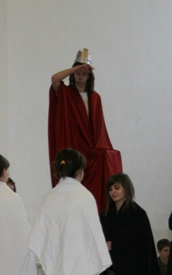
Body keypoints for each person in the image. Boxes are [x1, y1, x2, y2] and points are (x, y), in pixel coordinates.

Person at [48, 48, 122, 213]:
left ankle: (103, 210)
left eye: (84, 74)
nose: (81, 77)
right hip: (73, 143)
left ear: (90, 77)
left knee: (107, 156)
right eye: (78, 74)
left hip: (90, 145)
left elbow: (99, 128)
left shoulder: (95, 98)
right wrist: (77, 67)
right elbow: (55, 78)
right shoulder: (67, 93)